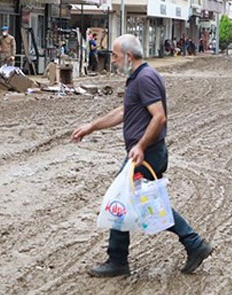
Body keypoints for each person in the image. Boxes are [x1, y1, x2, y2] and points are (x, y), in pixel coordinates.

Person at [71, 34, 213, 277]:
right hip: (145, 153)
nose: (113, 60)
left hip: (146, 154)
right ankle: (193, 244)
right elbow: (124, 111)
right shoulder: (137, 78)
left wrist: (140, 146)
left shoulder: (145, 78)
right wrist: (91, 127)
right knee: (144, 203)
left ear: (128, 56)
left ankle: (118, 260)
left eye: (115, 56)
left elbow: (159, 116)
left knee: (121, 199)